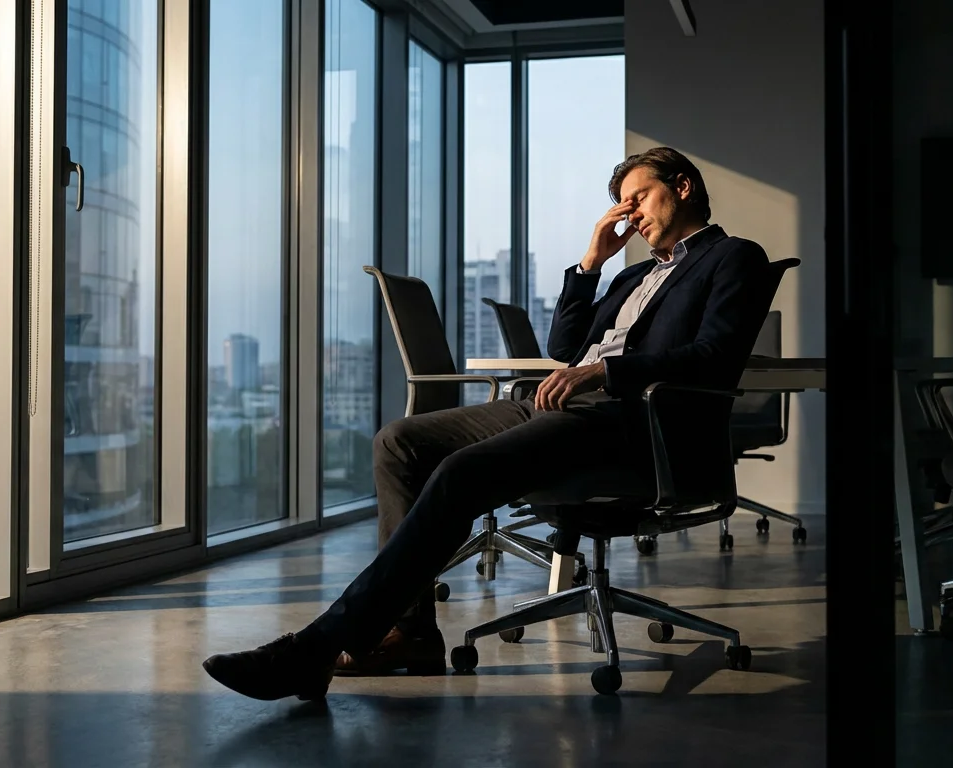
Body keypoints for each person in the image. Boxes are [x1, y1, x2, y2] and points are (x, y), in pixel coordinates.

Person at [202, 146, 774, 702]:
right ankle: (413, 634)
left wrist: (605, 372)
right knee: (399, 442)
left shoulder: (733, 258)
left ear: (683, 186)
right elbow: (562, 346)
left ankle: (319, 646)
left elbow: (714, 355)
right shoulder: (628, 278)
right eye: (623, 204)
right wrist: (591, 264)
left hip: (626, 419)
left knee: (461, 473)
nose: (632, 215)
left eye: (639, 197)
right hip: (559, 404)